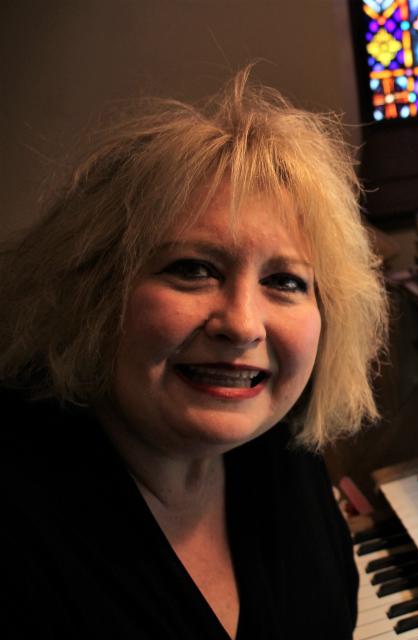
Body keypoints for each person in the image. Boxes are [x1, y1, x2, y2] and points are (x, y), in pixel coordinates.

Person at [0, 68, 387, 639]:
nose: (242, 325)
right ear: (95, 292)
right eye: (193, 269)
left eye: (284, 281)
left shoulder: (281, 447)